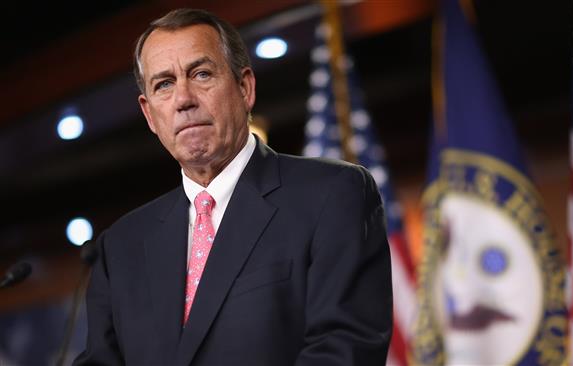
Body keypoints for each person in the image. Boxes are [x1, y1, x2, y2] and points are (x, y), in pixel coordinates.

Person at [73, 8, 392, 366]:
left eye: (202, 74)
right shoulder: (119, 248)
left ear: (245, 88)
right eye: (164, 84)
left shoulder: (333, 195)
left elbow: (343, 351)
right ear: (149, 115)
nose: (184, 99)